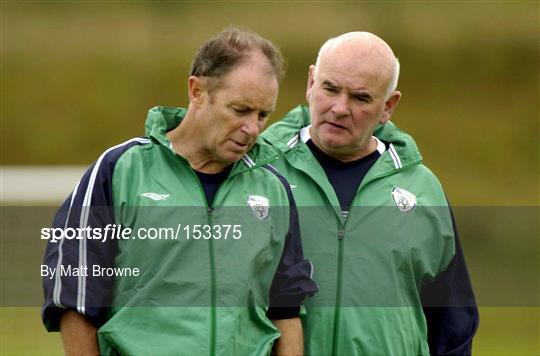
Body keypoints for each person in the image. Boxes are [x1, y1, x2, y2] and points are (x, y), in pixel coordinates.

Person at [42, 28, 317, 355]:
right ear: (197, 90)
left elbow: (286, 309)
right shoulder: (120, 171)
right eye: (240, 110)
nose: (253, 129)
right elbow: (75, 301)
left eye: (262, 115)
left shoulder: (274, 189)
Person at [262, 32, 479, 355]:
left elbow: (453, 323)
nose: (339, 108)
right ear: (311, 82)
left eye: (360, 98)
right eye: (330, 88)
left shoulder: (422, 190)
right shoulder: (258, 173)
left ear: (388, 106)